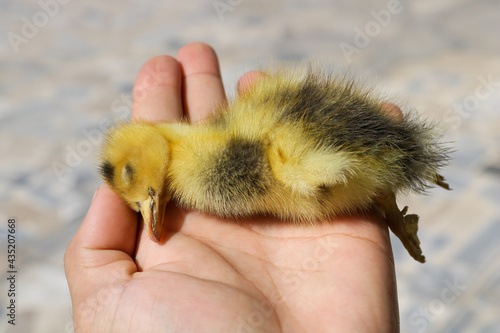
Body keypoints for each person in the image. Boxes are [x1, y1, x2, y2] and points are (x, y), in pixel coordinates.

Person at [64, 42, 399, 332]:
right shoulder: (213, 148)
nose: (145, 207)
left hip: (323, 162)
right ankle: (387, 198)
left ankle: (386, 192)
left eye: (133, 181)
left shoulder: (211, 159)